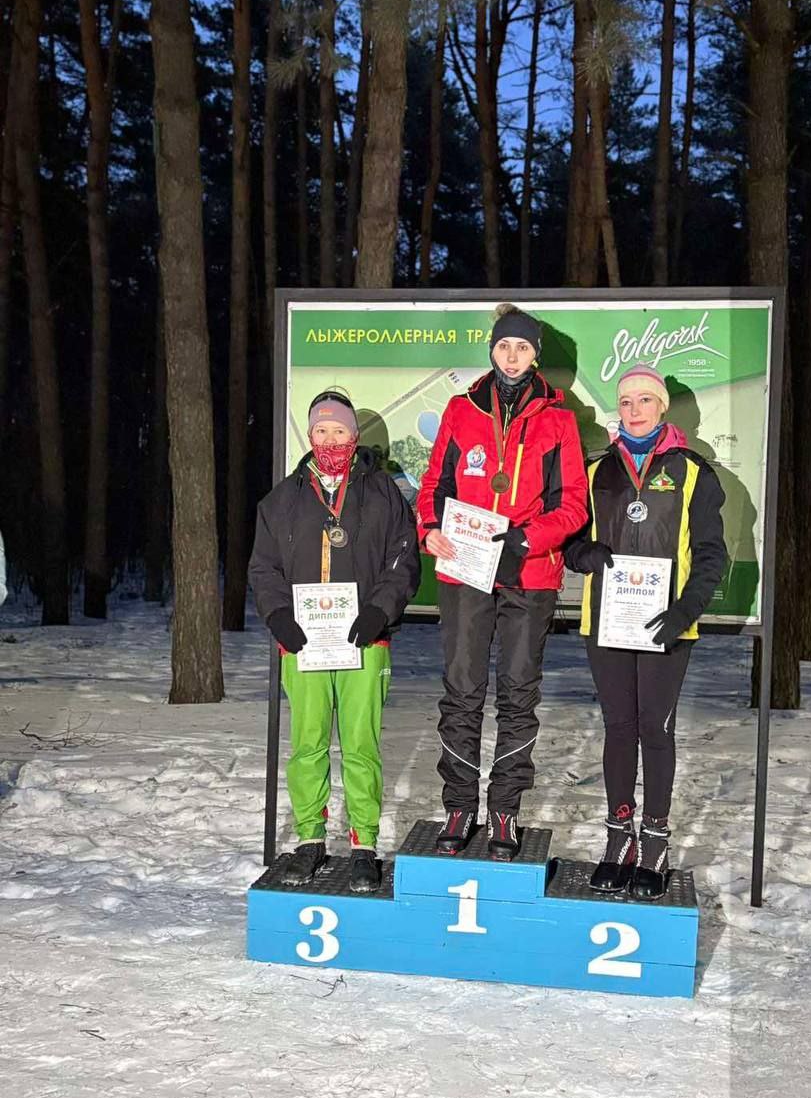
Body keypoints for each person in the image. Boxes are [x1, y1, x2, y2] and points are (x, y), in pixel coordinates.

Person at [416, 304, 588, 860]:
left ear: (536, 355)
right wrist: (429, 529)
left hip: (529, 573)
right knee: (462, 690)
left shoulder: (559, 419)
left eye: (523, 348)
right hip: (466, 567)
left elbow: (573, 505)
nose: (512, 357)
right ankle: (459, 805)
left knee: (518, 693)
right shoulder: (461, 408)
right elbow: (434, 485)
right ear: (492, 350)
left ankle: (505, 811)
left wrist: (526, 539)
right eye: (504, 346)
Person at [564, 365, 726, 898]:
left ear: (662, 407)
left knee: (654, 731)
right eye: (626, 401)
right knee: (618, 729)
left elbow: (711, 556)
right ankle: (619, 839)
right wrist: (584, 554)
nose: (634, 410)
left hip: (666, 626)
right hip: (607, 623)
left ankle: (654, 839)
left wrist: (684, 614)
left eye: (645, 400)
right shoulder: (596, 470)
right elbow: (570, 541)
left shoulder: (694, 472)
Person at [249, 390, 421, 892]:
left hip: (365, 640)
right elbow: (263, 569)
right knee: (308, 745)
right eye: (321, 430)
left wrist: (379, 610)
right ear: (309, 435)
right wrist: (278, 615)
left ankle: (364, 844)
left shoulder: (383, 492)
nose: (330, 439)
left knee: (362, 746)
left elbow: (403, 559)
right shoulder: (281, 500)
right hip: (302, 644)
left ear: (355, 435)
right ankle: (310, 839)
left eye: (339, 430)